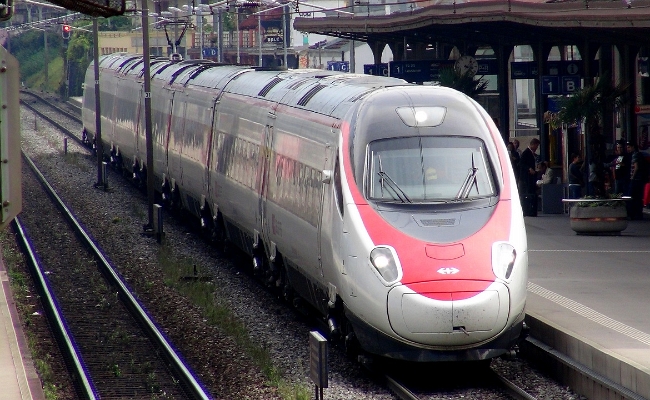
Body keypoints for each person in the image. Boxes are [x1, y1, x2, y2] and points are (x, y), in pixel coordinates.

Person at [627, 142, 647, 220]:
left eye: (629, 147)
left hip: (636, 179)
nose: (627, 149)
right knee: (638, 197)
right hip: (640, 179)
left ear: (633, 147)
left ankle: (633, 213)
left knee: (632, 196)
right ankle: (638, 213)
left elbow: (636, 167)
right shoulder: (639, 154)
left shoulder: (635, 155)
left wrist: (632, 177)